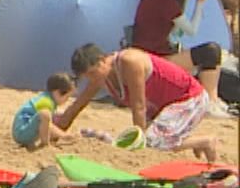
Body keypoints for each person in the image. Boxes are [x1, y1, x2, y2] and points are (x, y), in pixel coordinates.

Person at [57, 43, 218, 159]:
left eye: (92, 73)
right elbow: (78, 105)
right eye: (88, 77)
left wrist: (139, 143)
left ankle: (204, 141)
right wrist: (57, 131)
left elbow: (139, 106)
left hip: (189, 98)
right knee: (153, 139)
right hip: (163, 107)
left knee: (153, 142)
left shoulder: (129, 62)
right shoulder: (101, 76)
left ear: (103, 60)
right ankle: (191, 141)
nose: (92, 79)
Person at [131, 0, 225, 97]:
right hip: (156, 58)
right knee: (211, 52)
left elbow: (177, 32)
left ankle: (209, 97)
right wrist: (200, 2)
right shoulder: (166, 2)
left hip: (144, 53)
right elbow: (191, 30)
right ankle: (211, 98)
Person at [12, 73, 74, 151]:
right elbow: (47, 123)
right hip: (22, 132)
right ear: (58, 92)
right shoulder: (46, 102)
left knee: (50, 115)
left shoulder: (47, 98)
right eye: (67, 97)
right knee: (45, 114)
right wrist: (63, 135)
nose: (67, 100)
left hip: (25, 130)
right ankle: (45, 144)